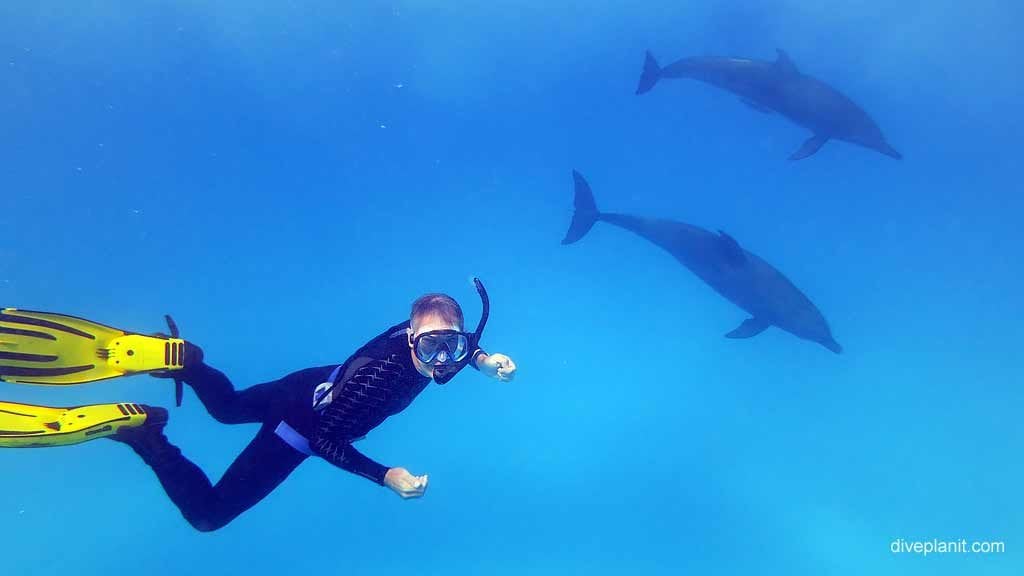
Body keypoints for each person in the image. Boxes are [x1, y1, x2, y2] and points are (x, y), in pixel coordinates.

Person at [111, 280, 516, 532]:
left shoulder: (429, 338)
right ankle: (151, 439)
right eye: (431, 347)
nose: (443, 361)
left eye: (453, 346)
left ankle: (187, 362)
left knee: (227, 408)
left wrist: (484, 361)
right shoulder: (375, 380)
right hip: (302, 427)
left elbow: (450, 339)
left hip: (304, 385)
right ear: (411, 339)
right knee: (208, 516)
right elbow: (323, 440)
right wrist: (385, 475)